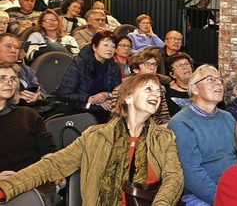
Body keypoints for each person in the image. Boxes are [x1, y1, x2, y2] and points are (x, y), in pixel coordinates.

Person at [0, 73, 185, 205]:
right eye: (148, 89)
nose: (156, 94)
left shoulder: (164, 137)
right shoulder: (96, 136)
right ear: (128, 97)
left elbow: (174, 178)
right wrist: (7, 187)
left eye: (158, 91)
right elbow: (52, 165)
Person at [167, 64, 237, 206]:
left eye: (219, 80)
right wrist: (224, 199)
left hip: (234, 187)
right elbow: (192, 174)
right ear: (194, 89)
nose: (218, 83)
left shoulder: (228, 117)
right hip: (202, 195)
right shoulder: (181, 123)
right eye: (210, 79)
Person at [0, 62, 58, 206]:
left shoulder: (28, 115)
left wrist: (50, 170)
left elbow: (48, 151)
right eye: (2, 78)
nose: (9, 82)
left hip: (32, 182)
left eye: (13, 79)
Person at [56, 30, 122, 123]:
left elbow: (118, 90)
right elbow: (65, 93)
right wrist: (90, 99)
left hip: (105, 104)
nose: (110, 49)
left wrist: (106, 95)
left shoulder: (114, 66)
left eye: (113, 46)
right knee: (101, 112)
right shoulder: (79, 63)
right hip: (78, 104)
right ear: (95, 47)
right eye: (106, 45)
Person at [110, 51, 172, 126]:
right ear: (136, 69)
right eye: (148, 64)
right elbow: (116, 118)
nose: (153, 68)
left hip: (155, 129)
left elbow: (164, 117)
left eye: (155, 64)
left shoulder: (157, 89)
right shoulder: (121, 89)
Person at [0, 34, 47, 105]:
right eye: (8, 46)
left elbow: (41, 91)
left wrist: (38, 96)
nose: (13, 51)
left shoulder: (25, 70)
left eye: (16, 48)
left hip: (31, 108)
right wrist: (15, 98)